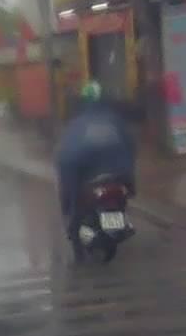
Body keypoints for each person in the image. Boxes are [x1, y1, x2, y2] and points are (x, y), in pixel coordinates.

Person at [55, 80, 137, 262]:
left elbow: (67, 156)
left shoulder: (78, 124)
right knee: (127, 187)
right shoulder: (116, 121)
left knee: (71, 197)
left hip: (90, 176)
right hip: (118, 174)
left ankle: (74, 232)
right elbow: (131, 147)